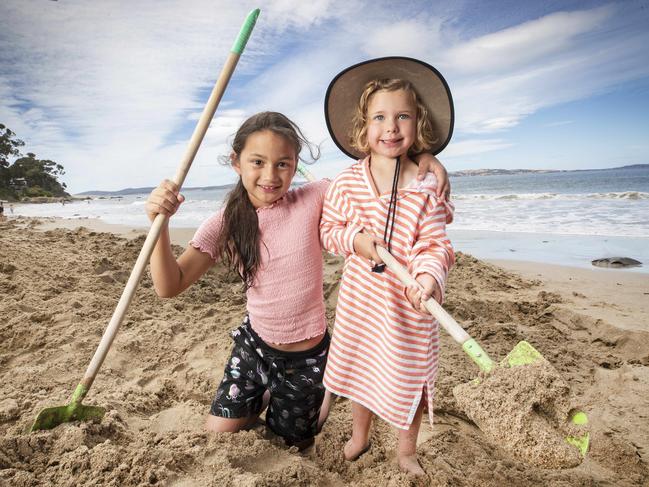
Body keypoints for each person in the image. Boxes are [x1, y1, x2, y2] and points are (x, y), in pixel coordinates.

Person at [145, 111, 450, 449]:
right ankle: (260, 396)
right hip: (254, 347)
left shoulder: (316, 196)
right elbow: (168, 285)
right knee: (218, 433)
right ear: (236, 162)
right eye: (257, 162)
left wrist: (419, 158)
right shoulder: (226, 222)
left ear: (295, 164)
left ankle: (303, 400)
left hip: (307, 359)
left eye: (283, 164)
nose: (270, 176)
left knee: (293, 445)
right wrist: (160, 223)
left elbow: (373, 176)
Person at [320, 57, 455, 475]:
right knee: (363, 369)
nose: (391, 127)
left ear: (418, 125)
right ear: (364, 126)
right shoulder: (346, 182)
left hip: (408, 305)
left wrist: (429, 277)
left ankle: (406, 451)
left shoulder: (426, 183)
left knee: (408, 377)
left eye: (402, 117)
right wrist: (358, 242)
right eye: (379, 117)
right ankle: (360, 437)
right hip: (362, 303)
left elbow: (436, 244)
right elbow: (329, 230)